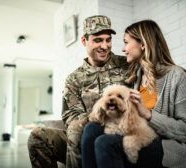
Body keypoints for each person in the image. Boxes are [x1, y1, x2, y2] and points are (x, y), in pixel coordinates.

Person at [81, 19, 186, 168]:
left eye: (126, 42)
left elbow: (185, 130)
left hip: (166, 144)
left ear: (143, 44)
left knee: (105, 143)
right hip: (136, 133)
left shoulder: (177, 76)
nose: (123, 49)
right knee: (91, 129)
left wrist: (148, 114)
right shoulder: (136, 76)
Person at [28, 15, 130, 168]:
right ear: (84, 41)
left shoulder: (127, 65)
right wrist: (95, 120)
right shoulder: (74, 79)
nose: (105, 45)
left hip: (120, 131)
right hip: (85, 134)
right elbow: (71, 116)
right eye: (98, 40)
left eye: (108, 40)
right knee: (37, 137)